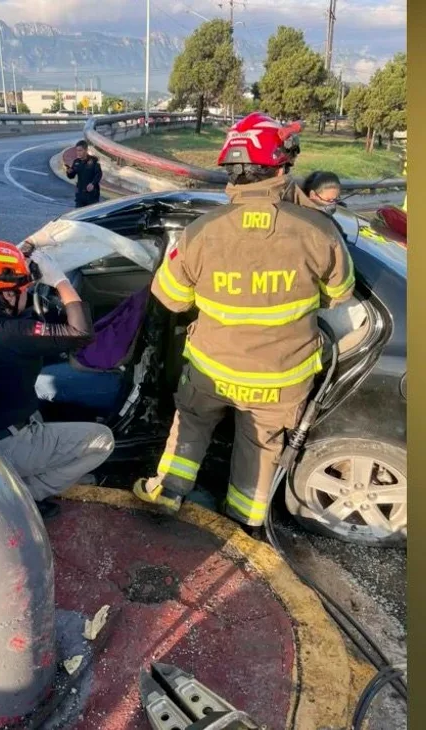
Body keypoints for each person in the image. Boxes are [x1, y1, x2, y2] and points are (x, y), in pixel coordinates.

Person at [132, 112, 356, 531]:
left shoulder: (201, 232)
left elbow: (171, 298)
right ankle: (243, 522)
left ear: (231, 170)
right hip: (280, 377)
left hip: (212, 369)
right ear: (282, 167)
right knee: (260, 446)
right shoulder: (319, 231)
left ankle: (168, 492)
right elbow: (339, 294)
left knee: (192, 426)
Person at [0, 240, 115, 518]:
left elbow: (7, 304)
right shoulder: (14, 334)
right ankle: (25, 496)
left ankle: (19, 476)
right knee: (103, 440)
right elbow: (81, 333)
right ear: (7, 295)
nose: (27, 293)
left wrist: (22, 261)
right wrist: (60, 281)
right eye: (23, 289)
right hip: (7, 443)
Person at [65, 140, 103, 208]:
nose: (78, 153)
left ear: (86, 150)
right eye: (77, 150)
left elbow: (99, 174)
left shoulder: (94, 160)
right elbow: (71, 176)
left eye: (80, 150)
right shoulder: (76, 162)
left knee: (91, 213)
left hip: (92, 195)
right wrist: (69, 172)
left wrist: (93, 184)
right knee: (79, 213)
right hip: (80, 195)